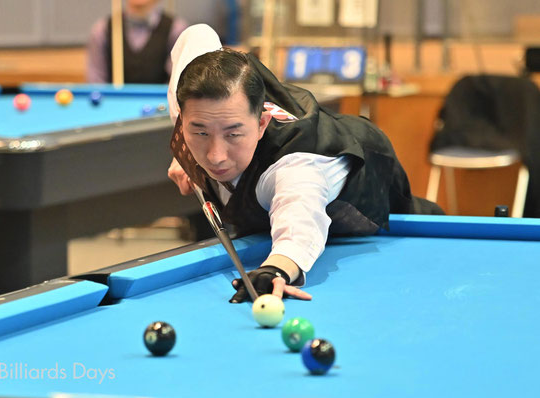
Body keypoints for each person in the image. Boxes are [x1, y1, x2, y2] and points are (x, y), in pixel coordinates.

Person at [167, 25, 443, 303]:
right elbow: (198, 34)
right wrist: (184, 152)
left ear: (261, 124)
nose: (215, 156)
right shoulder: (194, 91)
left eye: (233, 134)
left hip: (385, 204)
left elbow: (299, 221)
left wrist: (276, 269)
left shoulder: (296, 166)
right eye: (200, 132)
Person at [86, 0, 187, 83]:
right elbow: (97, 85)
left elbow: (177, 87)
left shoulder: (176, 30)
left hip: (162, 102)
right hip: (114, 101)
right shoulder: (102, 30)